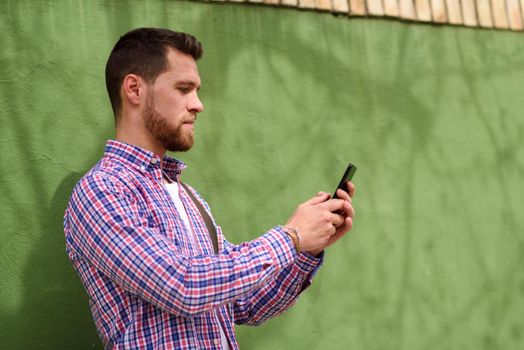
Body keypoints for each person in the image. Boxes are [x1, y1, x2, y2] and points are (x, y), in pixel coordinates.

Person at [64, 27, 355, 349]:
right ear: (134, 89)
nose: (198, 104)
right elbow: (182, 286)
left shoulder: (187, 196)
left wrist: (307, 248)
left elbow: (245, 305)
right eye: (184, 89)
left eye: (197, 90)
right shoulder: (102, 191)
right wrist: (290, 237)